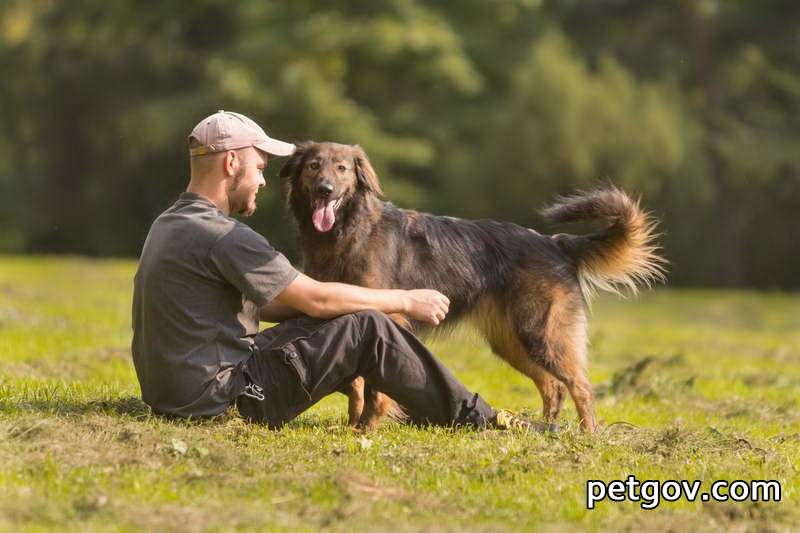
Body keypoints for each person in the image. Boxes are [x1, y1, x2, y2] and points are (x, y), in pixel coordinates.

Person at [131, 110, 538, 431]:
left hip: (174, 393)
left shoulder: (170, 223)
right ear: (231, 162)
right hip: (225, 398)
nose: (263, 181)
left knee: (348, 315)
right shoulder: (223, 234)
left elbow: (276, 304)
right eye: (258, 168)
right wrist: (405, 299)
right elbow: (317, 296)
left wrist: (334, 310)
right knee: (369, 326)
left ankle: (422, 405)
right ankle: (479, 418)